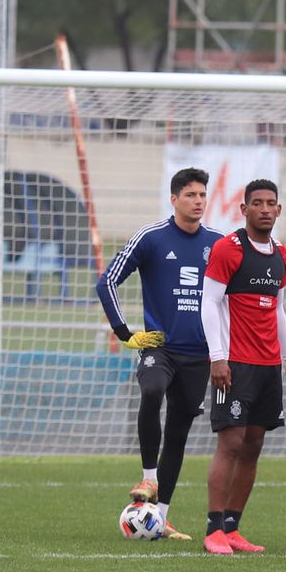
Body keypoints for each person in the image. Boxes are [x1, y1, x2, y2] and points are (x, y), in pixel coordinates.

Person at [95, 168, 225, 539]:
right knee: (151, 391)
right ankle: (148, 479)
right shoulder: (151, 238)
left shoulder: (218, 243)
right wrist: (124, 332)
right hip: (160, 348)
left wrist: (224, 349)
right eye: (190, 195)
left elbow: (230, 299)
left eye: (202, 195)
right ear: (174, 199)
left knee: (179, 432)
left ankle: (160, 517)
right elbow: (107, 281)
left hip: (200, 354)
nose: (198, 201)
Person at [199, 179, 286, 554]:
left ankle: (232, 527)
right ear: (243, 210)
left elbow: (277, 309)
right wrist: (218, 356)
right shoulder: (228, 249)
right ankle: (213, 530)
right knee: (230, 443)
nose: (264, 208)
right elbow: (209, 303)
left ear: (279, 210)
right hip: (235, 363)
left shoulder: (281, 254)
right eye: (256, 203)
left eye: (271, 203)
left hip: (267, 366)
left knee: (254, 444)